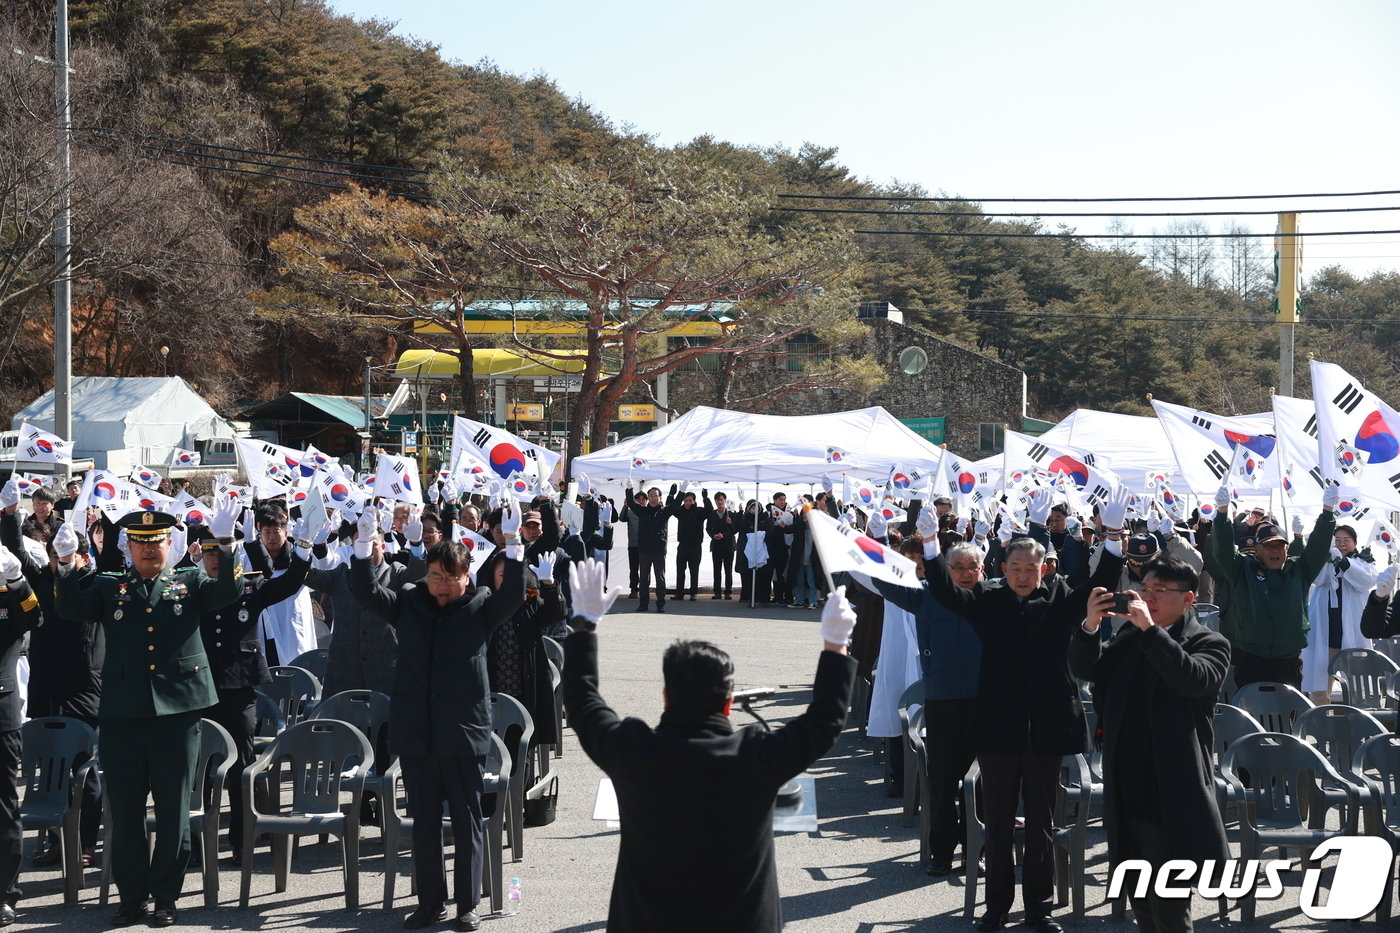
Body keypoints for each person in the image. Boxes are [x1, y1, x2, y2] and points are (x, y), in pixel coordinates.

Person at [561, 558, 857, 933]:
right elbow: (826, 719)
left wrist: (584, 627)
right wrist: (836, 645)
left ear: (666, 696)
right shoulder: (755, 756)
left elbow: (583, 702)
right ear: (728, 702)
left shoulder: (632, 751)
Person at [921, 489, 1129, 933]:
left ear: (1043, 570)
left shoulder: (1060, 601)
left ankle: (1039, 906)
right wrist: (929, 544)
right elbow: (942, 589)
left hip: (1047, 730)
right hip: (998, 730)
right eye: (1014, 568)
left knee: (1041, 825)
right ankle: (996, 906)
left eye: (1029, 569)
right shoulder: (986, 602)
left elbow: (1101, 586)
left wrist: (1113, 538)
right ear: (1001, 570)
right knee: (997, 825)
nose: (1021, 575)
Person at [53, 501, 244, 927]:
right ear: (128, 548)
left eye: (154, 543)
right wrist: (65, 564)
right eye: (139, 544)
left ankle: (166, 897)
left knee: (174, 809)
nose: (147, 551)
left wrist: (226, 543)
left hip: (178, 712)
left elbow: (229, 592)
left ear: (168, 543)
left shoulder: (191, 581)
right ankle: (132, 894)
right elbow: (69, 609)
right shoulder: (108, 586)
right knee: (125, 808)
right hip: (123, 713)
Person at [351, 506, 525, 932]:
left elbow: (514, 596)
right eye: (435, 577)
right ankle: (430, 902)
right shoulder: (410, 602)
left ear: (467, 576)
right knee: (424, 821)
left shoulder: (481, 606)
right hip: (416, 728)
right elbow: (366, 595)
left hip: (462, 730)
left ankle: (468, 904)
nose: (442, 586)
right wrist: (361, 547)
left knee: (466, 820)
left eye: (450, 578)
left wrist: (515, 545)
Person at [1071, 556, 1231, 933]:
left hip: (1170, 789)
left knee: (1171, 904)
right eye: (1145, 589)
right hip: (1127, 784)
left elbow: (1192, 679)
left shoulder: (1209, 641)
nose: (1148, 598)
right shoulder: (1129, 635)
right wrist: (1090, 627)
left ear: (1188, 599)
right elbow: (1087, 670)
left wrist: (1149, 631)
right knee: (1139, 895)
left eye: (1160, 591)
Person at [872, 515, 984, 876]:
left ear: (983, 569)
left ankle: (975, 850)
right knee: (941, 782)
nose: (966, 573)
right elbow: (884, 584)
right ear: (945, 569)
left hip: (984, 702)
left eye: (972, 566)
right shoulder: (928, 597)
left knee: (980, 782)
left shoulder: (994, 599)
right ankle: (941, 852)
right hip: (942, 701)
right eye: (958, 567)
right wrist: (877, 542)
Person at [195, 523, 313, 866]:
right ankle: (193, 839)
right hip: (201, 689)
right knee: (198, 768)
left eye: (221, 551)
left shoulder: (250, 587)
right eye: (209, 552)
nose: (215, 559)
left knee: (241, 767)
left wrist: (303, 549)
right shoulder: (193, 589)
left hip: (238, 689)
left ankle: (242, 840)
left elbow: (289, 584)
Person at [1202, 485, 1337, 689]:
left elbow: (1318, 546)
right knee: (1252, 718)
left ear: (1287, 548)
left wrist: (1328, 511)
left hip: (1288, 662)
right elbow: (1222, 551)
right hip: (1252, 661)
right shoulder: (1242, 569)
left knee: (1286, 717)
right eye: (1268, 546)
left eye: (1279, 545)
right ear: (1256, 550)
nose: (1275, 551)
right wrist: (1222, 514)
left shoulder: (1299, 570)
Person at [0, 544, 43, 926]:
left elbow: (34, 616)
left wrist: (16, 580)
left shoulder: (7, 596)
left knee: (2, 808)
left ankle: (5, 893)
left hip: (0, 715)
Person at [1302, 523, 1377, 704]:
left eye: (1346, 540)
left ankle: (1358, 719)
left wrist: (1342, 562)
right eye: (1337, 540)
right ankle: (1321, 719)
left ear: (1355, 543)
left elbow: (1365, 580)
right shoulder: (1325, 560)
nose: (1342, 544)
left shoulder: (1364, 561)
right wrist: (1326, 557)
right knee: (1319, 681)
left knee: (1357, 680)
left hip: (1352, 630)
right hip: (1325, 632)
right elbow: (1317, 579)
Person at [624, 485, 669, 613]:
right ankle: (643, 604)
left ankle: (660, 604)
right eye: (651, 496)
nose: (653, 498)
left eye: (656, 496)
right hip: (644, 549)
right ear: (648, 498)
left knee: (660, 578)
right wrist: (629, 489)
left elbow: (676, 504)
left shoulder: (664, 511)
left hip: (659, 550)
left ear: (660, 498)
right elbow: (631, 503)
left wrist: (681, 492)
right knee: (643, 578)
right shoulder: (642, 511)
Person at [666, 486, 708, 601]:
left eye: (690, 500)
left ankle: (693, 593)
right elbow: (670, 507)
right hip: (683, 545)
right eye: (686, 500)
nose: (688, 502)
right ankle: (679, 593)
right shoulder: (680, 511)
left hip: (695, 546)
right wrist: (671, 495)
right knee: (680, 569)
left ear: (694, 501)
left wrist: (705, 498)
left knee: (694, 570)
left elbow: (709, 510)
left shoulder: (699, 511)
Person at [707, 491, 736, 599]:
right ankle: (717, 592)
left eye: (721, 500)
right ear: (715, 501)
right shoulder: (712, 514)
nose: (720, 502)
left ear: (725, 501)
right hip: (716, 545)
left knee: (728, 570)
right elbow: (708, 528)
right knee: (717, 570)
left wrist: (729, 524)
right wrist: (713, 535)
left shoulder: (731, 514)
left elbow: (734, 530)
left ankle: (728, 592)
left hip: (728, 546)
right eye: (717, 500)